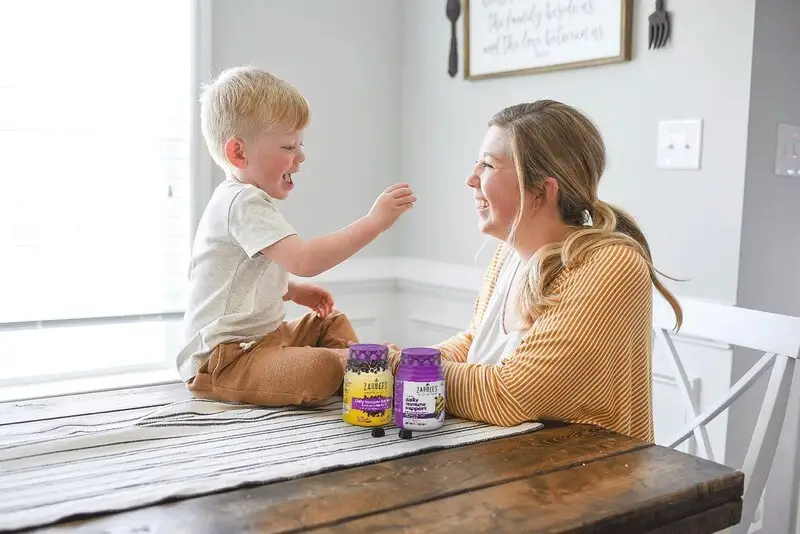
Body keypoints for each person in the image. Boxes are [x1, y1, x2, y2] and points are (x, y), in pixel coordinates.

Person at [390, 100, 681, 442]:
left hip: (582, 481)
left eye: (488, 165)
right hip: (504, 465)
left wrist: (401, 369)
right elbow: (475, 343)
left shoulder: (609, 264)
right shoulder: (510, 253)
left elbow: (511, 394)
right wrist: (413, 360)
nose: (471, 179)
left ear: (543, 190)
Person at [178, 66, 415, 407]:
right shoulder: (242, 201)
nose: (300, 157)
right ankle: (358, 367)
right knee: (320, 367)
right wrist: (373, 222)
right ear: (239, 153)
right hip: (223, 361)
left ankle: (351, 373)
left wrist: (292, 291)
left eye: (300, 144)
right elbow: (304, 260)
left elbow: (239, 278)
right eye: (289, 146)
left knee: (329, 322)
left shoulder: (241, 199)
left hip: (263, 339)